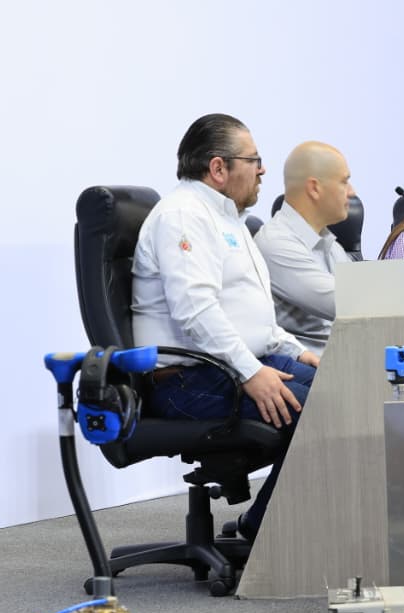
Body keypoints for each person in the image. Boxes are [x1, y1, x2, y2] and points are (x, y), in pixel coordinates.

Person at [131, 113, 320, 541]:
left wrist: (296, 351)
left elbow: (250, 315)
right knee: (323, 412)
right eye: (254, 160)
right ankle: (268, 534)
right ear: (218, 168)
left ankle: (280, 527)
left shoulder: (228, 219)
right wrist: (251, 372)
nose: (262, 170)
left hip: (229, 367)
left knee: (344, 392)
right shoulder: (184, 215)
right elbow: (195, 311)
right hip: (189, 382)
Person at [255, 141, 355, 355]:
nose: (352, 192)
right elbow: (348, 303)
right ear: (314, 188)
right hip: (309, 367)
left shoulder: (331, 245)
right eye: (344, 182)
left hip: (344, 360)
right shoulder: (276, 243)